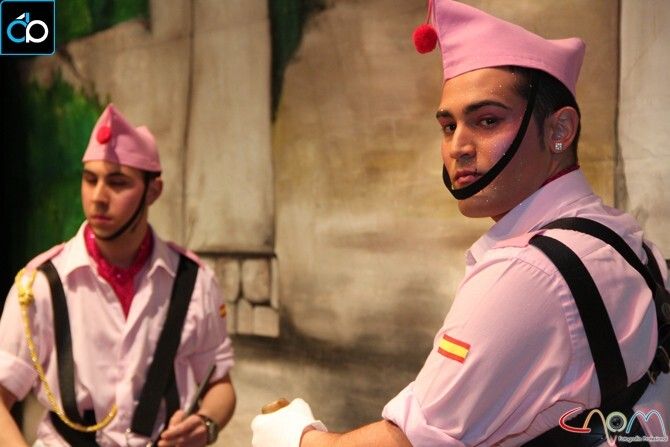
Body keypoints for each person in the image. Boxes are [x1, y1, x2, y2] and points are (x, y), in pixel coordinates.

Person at [251, 1, 669, 446]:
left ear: (559, 130)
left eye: (487, 120)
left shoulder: (526, 273)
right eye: (448, 127)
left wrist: (295, 437)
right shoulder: (627, 241)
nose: (458, 147)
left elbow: (408, 442)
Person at [0, 104, 236, 446]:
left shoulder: (193, 281)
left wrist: (206, 422)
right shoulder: (41, 284)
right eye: (90, 179)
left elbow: (219, 384)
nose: (98, 197)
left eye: (117, 182)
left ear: (153, 191)